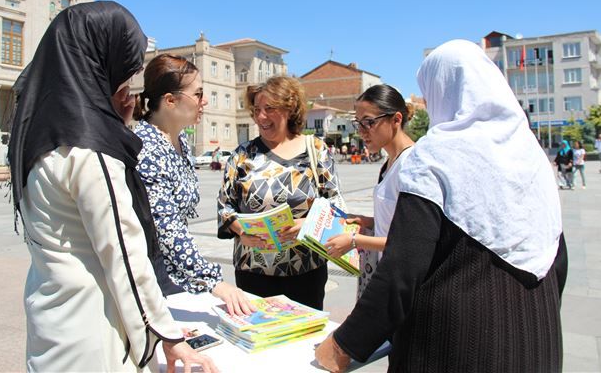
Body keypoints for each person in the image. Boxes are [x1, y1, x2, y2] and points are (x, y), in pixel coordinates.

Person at [315, 39, 566, 372]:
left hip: (455, 347)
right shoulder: (531, 156)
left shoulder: (435, 156)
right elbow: (556, 258)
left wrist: (345, 344)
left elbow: (402, 267)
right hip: (537, 340)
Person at [8, 1, 217, 372]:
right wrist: (167, 337)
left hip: (51, 320)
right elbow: (125, 254)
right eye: (125, 72)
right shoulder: (90, 153)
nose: (128, 89)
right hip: (92, 335)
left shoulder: (38, 137)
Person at [133, 53, 253, 315]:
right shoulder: (147, 148)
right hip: (148, 278)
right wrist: (215, 282)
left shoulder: (180, 142)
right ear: (170, 100)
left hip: (174, 276)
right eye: (198, 94)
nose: (205, 101)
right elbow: (167, 230)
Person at [217, 76, 343, 310]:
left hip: (306, 270)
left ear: (290, 108)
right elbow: (225, 207)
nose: (261, 117)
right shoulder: (242, 154)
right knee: (258, 337)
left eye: (269, 109)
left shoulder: (315, 149)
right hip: (253, 271)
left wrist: (307, 223)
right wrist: (240, 231)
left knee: (305, 340)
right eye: (256, 110)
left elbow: (335, 203)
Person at [324, 84, 415, 298]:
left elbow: (410, 238)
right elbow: (397, 219)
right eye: (358, 123)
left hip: (404, 282)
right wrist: (368, 221)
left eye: (369, 122)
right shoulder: (390, 162)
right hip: (388, 273)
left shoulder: (411, 165)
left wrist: (355, 241)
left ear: (396, 119)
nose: (362, 131)